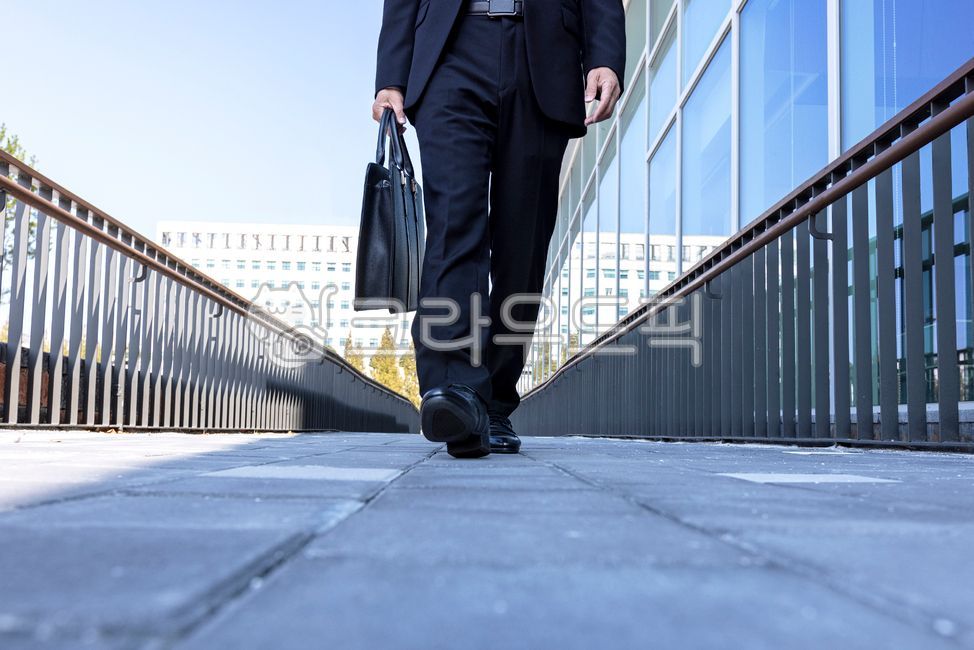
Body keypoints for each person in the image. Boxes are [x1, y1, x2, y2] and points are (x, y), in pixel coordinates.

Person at [373, 0, 625, 458]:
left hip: (545, 53)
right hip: (451, 50)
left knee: (521, 246)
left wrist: (605, 55)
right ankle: (454, 389)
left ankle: (494, 403)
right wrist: (391, 75)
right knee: (453, 226)